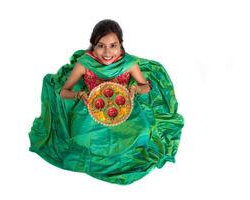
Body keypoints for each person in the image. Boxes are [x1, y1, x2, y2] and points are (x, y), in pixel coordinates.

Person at [28, 19, 184, 185]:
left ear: (121, 45)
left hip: (124, 109)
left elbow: (145, 86)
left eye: (113, 45)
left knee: (143, 133)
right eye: (101, 45)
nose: (107, 52)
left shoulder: (129, 64)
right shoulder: (84, 64)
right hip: (91, 110)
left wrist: (135, 90)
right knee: (80, 140)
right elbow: (64, 92)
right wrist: (80, 95)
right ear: (93, 45)